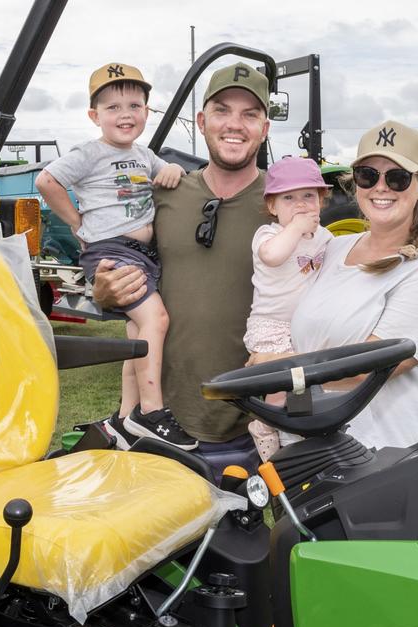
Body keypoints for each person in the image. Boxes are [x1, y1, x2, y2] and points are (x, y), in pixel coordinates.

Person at [92, 62, 272, 470]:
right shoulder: (163, 196)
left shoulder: (285, 206)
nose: (235, 125)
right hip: (165, 422)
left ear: (265, 128)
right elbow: (117, 269)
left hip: (252, 424)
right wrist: (102, 292)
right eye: (223, 111)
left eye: (250, 114)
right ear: (202, 120)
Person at [36, 63, 195, 450]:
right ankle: (153, 412)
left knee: (135, 333)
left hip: (142, 253)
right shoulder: (89, 153)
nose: (126, 114)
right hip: (111, 250)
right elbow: (46, 181)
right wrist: (76, 221)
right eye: (113, 107)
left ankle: (126, 415)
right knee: (156, 319)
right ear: (95, 116)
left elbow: (170, 171)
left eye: (135, 105)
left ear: (146, 111)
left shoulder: (144, 154)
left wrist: (172, 168)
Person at [287, 119, 418, 449]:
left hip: (375, 463)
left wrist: (277, 369)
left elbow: (366, 369)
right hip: (306, 454)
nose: (380, 187)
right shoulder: (334, 248)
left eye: (397, 178)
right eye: (368, 175)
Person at [244, 156, 333, 460]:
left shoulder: (325, 238)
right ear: (273, 207)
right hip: (272, 325)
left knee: (302, 388)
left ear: (321, 201)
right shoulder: (269, 235)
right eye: (289, 198)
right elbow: (273, 256)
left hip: (304, 330)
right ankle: (265, 427)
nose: (300, 204)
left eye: (308, 196)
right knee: (282, 384)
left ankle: (295, 439)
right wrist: (296, 227)